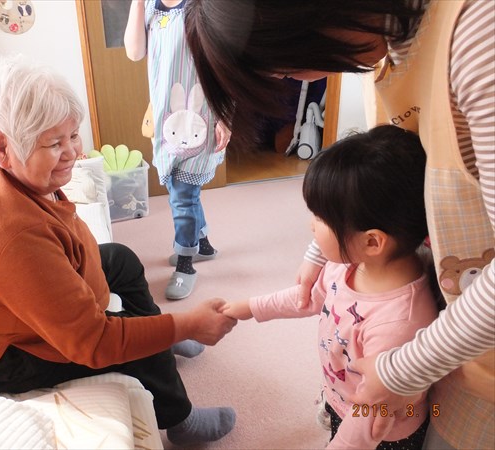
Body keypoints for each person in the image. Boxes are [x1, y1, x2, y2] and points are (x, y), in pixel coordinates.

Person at [184, 1, 495, 448]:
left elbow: (371, 420)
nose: (300, 80)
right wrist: (316, 255)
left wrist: (404, 370)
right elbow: (377, 189)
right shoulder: (393, 40)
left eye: (287, 67)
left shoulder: (477, 33)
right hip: (441, 346)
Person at [0, 53, 237, 446]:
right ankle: (180, 419)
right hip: (6, 354)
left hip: (21, 303)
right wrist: (186, 323)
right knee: (133, 344)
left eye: (73, 136)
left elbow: (59, 235)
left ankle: (160, 340)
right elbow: (93, 342)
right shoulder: (13, 234)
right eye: (54, 143)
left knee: (121, 260)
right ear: (2, 147)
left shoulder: (4, 174)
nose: (72, 152)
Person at [222, 125, 438, 449]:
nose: (311, 225)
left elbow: (370, 417)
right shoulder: (347, 265)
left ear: (372, 241)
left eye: (321, 219)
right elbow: (307, 298)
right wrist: (250, 307)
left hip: (384, 434)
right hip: (342, 399)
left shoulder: (398, 323)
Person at [124, 0, 230, 300]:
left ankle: (186, 265)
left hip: (201, 112)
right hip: (166, 115)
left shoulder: (205, 5)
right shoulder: (149, 5)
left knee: (182, 195)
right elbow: (134, 52)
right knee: (178, 185)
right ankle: (203, 245)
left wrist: (226, 116)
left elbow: (225, 63)